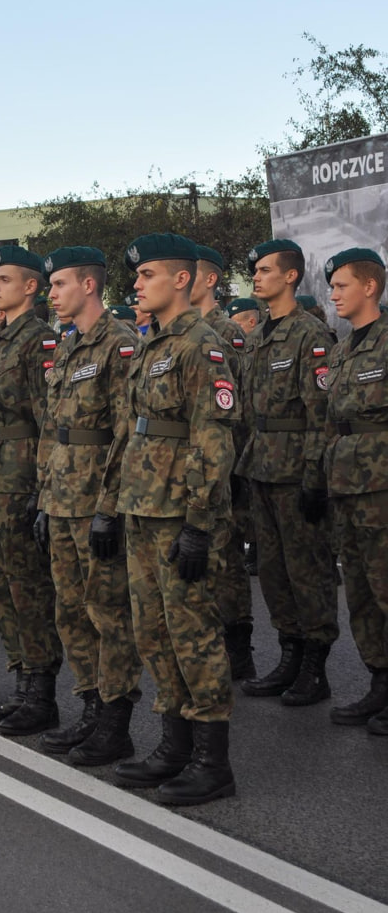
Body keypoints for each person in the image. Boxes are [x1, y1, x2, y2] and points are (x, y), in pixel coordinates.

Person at [114, 233, 237, 806]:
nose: (137, 285)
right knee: (154, 632)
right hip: (143, 506)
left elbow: (213, 440)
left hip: (179, 513)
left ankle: (213, 763)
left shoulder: (200, 346)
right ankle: (174, 746)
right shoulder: (152, 344)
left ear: (181, 280)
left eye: (147, 276)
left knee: (194, 633)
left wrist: (198, 520)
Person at [35, 246, 143, 766]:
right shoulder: (69, 343)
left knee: (108, 613)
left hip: (95, 502)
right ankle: (89, 706)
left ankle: (115, 722)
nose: (51, 294)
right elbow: (54, 430)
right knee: (71, 611)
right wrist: (42, 497)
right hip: (60, 497)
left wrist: (110, 508)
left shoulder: (118, 344)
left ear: (89, 286)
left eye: (59, 285)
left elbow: (127, 434)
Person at [239, 239, 339, 706]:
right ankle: (289, 655)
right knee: (275, 573)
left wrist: (315, 478)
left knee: (308, 571)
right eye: (254, 271)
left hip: (296, 470)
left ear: (291, 276)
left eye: (264, 270)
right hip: (262, 466)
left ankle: (315, 668)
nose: (256, 277)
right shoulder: (259, 336)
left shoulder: (309, 335)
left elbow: (321, 413)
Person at [0, 245, 62, 735]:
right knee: (1, 583)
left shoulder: (37, 341)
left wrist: (41, 487)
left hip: (21, 475)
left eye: (5, 280)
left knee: (28, 587)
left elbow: (47, 420)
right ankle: (21, 682)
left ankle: (41, 691)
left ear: (31, 287)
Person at [323, 249, 388, 734]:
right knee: (362, 594)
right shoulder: (345, 347)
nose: (334, 294)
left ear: (370, 287)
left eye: (342, 285)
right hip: (347, 485)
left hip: (382, 487)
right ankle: (380, 684)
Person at [191, 245, 254, 679]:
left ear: (209, 279)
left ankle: (239, 646)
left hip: (220, 460)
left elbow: (234, 405)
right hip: (186, 468)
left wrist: (232, 471)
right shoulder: (179, 331)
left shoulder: (224, 331)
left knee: (226, 560)